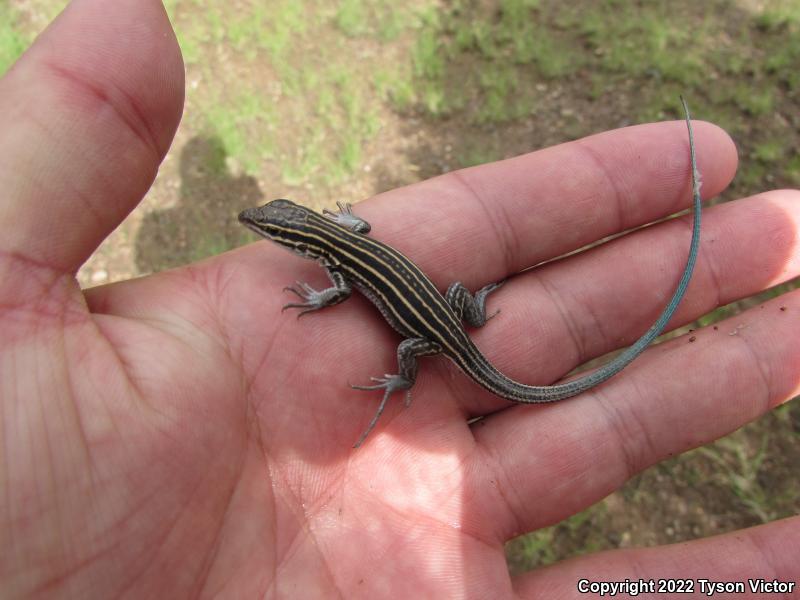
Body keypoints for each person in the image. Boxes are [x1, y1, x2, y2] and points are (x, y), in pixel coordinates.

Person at [1, 0, 798, 597]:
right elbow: (358, 237)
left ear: (301, 237)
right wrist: (454, 301)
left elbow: (345, 281)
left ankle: (405, 376)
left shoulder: (337, 263)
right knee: (452, 308)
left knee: (408, 351)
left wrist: (363, 342)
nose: (265, 231)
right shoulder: (342, 239)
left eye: (274, 228)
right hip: (446, 313)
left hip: (430, 340)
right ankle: (474, 306)